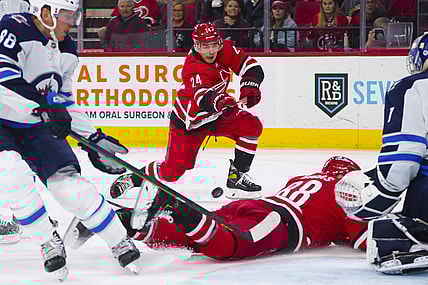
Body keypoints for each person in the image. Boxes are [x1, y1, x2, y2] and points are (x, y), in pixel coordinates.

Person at [0, 0, 140, 279]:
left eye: (75, 15)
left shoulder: (65, 49)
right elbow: (3, 79)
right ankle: (48, 242)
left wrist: (92, 138)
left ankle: (118, 239)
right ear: (45, 12)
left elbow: (62, 100)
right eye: (66, 15)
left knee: (68, 187)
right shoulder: (12, 28)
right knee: (9, 173)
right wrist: (44, 108)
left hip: (36, 125)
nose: (72, 23)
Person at [67, 156, 369, 260]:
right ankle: (171, 203)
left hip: (254, 206)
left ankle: (118, 220)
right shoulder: (347, 192)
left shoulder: (304, 177)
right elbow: (362, 239)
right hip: (280, 223)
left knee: (196, 240)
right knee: (231, 246)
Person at [110, 23, 264, 200]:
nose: (210, 51)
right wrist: (221, 100)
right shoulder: (194, 66)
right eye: (205, 46)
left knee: (250, 125)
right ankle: (134, 177)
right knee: (172, 172)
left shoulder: (225, 51)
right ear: (196, 46)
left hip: (218, 114)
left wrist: (249, 86)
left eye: (214, 44)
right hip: (190, 122)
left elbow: (251, 66)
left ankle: (237, 178)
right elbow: (202, 97)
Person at [335, 33, 428, 275]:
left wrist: (381, 192)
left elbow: (403, 157)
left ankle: (420, 238)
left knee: (390, 232)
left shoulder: (411, 86)